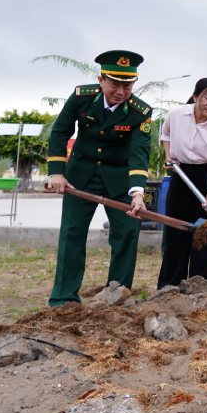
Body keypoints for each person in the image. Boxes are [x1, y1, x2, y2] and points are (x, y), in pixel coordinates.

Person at [46, 50, 152, 306]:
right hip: (80, 175)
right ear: (101, 79)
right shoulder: (82, 97)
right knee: (72, 233)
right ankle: (64, 298)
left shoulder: (141, 112)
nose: (120, 91)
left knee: (127, 231)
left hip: (119, 178)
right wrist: (57, 172)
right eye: (114, 83)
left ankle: (117, 293)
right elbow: (60, 131)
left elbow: (139, 152)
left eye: (127, 85)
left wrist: (137, 191)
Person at [156, 78, 207, 288]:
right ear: (196, 95)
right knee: (177, 232)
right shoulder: (176, 115)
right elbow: (166, 134)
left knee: (205, 236)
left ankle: (200, 289)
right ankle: (169, 287)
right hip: (182, 176)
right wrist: (169, 156)